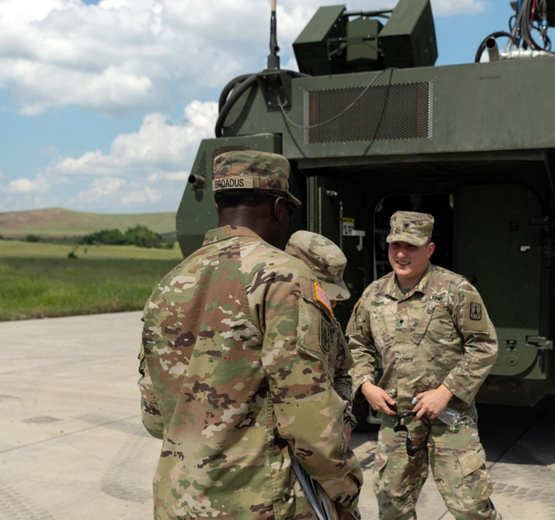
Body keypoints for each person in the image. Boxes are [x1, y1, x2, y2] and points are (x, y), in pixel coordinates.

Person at [137, 150, 362, 520]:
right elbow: (308, 417)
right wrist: (345, 487)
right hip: (262, 503)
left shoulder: (168, 283)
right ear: (278, 207)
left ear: (218, 205)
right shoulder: (283, 277)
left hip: (178, 501)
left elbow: (154, 417)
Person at [347, 211, 502, 520]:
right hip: (397, 422)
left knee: (472, 508)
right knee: (391, 507)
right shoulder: (373, 295)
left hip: (450, 419)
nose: (401, 254)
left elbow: (484, 345)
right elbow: (355, 344)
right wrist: (366, 386)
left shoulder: (456, 291)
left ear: (429, 249)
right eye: (395, 245)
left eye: (411, 246)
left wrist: (447, 390)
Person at [285, 230, 358, 439]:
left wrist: (345, 418)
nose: (333, 303)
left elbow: (342, 372)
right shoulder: (264, 316)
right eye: (324, 291)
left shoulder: (327, 321)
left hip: (320, 446)